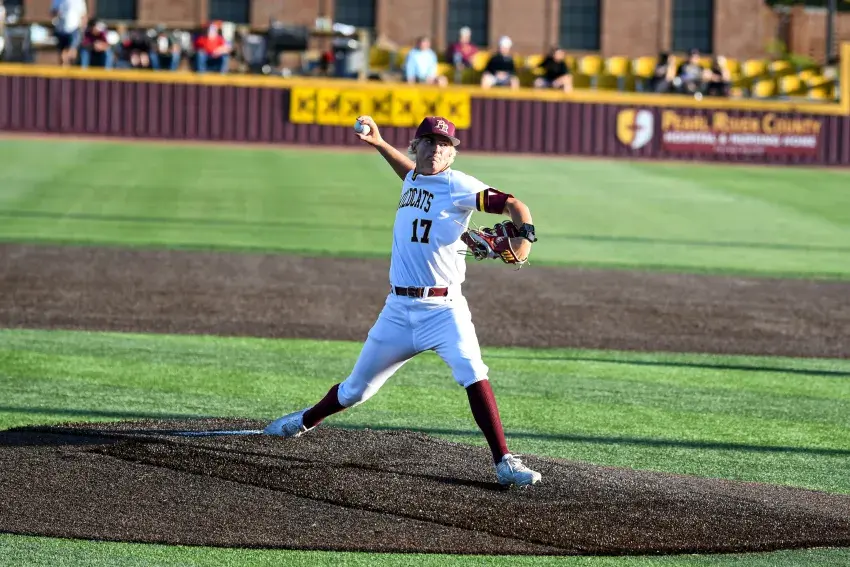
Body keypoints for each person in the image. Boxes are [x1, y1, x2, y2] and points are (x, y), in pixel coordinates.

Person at [264, 115, 542, 488]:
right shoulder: (414, 178)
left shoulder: (458, 185)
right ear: (416, 146)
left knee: (472, 370)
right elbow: (410, 173)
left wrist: (524, 239)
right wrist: (380, 143)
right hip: (397, 311)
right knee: (355, 390)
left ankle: (504, 460)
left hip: (444, 310)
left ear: (452, 154)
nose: (436, 149)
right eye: (429, 142)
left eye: (444, 145)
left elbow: (513, 204)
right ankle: (304, 421)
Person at [50, 0, 87, 67]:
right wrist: (56, 13)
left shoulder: (79, 1)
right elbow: (52, 12)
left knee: (71, 51)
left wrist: (83, 29)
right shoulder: (57, 0)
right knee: (62, 52)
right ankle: (64, 68)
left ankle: (70, 66)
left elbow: (83, 15)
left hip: (74, 29)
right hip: (61, 29)